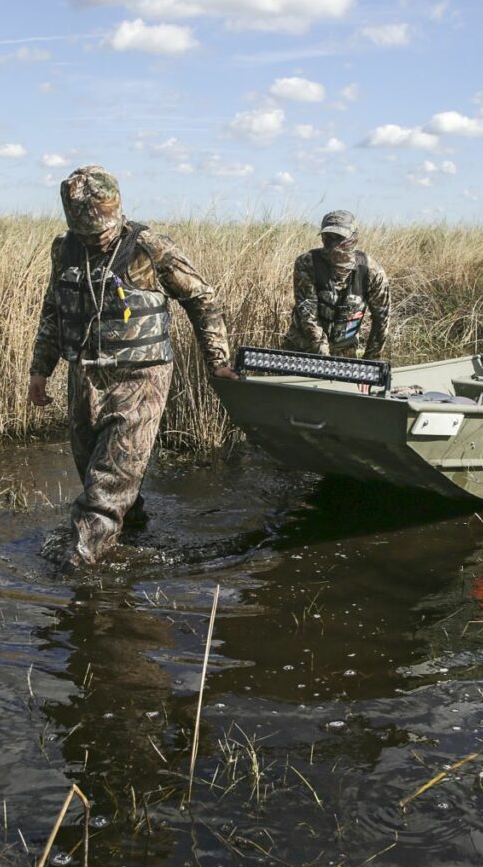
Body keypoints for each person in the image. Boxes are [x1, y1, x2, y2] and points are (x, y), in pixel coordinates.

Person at [28, 166, 237, 567]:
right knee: (95, 471)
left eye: (101, 231)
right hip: (85, 375)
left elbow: (202, 299)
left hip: (140, 379)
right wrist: (41, 369)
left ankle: (82, 562)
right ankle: (134, 538)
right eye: (85, 231)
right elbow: (53, 309)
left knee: (105, 489)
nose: (94, 239)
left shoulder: (149, 247)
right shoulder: (65, 248)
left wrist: (218, 362)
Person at [280, 210, 390, 359]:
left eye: (339, 237)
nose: (333, 243)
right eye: (328, 236)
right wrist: (325, 358)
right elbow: (308, 314)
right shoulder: (307, 264)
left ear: (353, 238)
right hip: (302, 350)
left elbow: (381, 319)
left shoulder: (372, 271)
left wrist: (371, 361)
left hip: (345, 354)